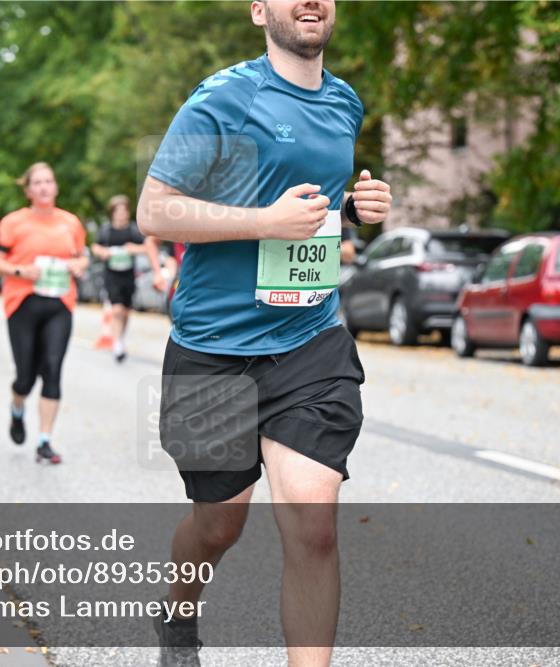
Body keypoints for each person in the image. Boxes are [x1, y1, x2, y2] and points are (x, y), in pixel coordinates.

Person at [136, 2, 393, 665]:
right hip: (212, 347)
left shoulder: (344, 103)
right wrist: (263, 222)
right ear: (259, 10)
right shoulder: (223, 98)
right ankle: (178, 610)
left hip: (310, 342)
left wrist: (357, 210)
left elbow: (311, 204)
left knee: (313, 523)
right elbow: (155, 210)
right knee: (218, 524)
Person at [0, 162, 88, 464]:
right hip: (23, 303)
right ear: (28, 190)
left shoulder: (71, 223)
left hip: (60, 304)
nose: (44, 187)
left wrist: (78, 266)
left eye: (49, 181)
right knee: (25, 378)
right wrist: (20, 270)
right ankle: (17, 409)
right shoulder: (13, 222)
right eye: (38, 182)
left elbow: (82, 258)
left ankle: (45, 440)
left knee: (53, 370)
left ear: (55, 187)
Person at [90, 194, 152, 362]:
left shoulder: (133, 230)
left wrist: (134, 249)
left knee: (125, 311)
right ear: (112, 213)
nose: (121, 214)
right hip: (111, 275)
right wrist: (102, 252)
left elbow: (148, 247)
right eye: (118, 211)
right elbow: (95, 247)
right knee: (116, 310)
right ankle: (117, 343)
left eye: (124, 211)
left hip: (128, 275)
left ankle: (120, 338)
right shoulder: (106, 230)